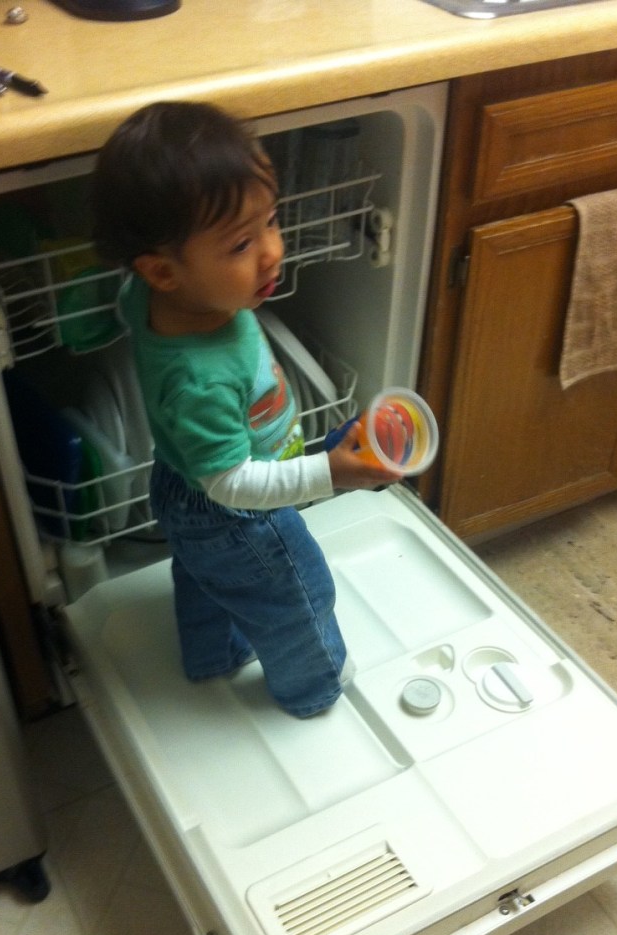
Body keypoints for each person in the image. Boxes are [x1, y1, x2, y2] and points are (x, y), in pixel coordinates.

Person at [92, 100, 401, 717]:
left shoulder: (148, 297)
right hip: (233, 513)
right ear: (162, 271)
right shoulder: (198, 379)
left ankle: (213, 655)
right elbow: (232, 485)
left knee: (206, 578)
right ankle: (314, 688)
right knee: (295, 594)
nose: (271, 252)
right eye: (240, 243)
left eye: (271, 221)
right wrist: (330, 473)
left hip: (180, 489)